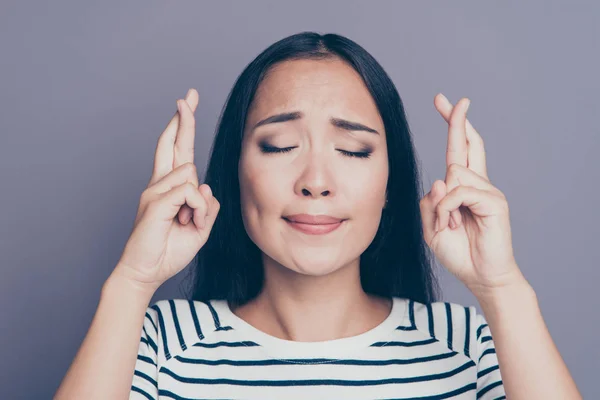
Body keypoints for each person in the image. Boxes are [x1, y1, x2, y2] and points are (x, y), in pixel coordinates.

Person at [55, 32, 581, 399]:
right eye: (279, 145)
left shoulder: (468, 344)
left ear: (392, 187)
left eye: (353, 151)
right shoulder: (160, 342)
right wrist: (131, 282)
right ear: (234, 177)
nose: (315, 180)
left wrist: (502, 287)